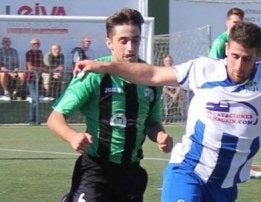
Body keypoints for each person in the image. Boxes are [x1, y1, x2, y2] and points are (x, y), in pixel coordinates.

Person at [73, 22, 261, 201]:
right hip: (188, 170)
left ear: (259, 55)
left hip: (226, 185)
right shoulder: (204, 69)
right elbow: (152, 73)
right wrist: (104, 66)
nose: (239, 65)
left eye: (246, 58)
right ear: (227, 50)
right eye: (234, 56)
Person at [47, 8, 173, 202]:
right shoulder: (93, 74)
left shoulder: (150, 79)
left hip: (131, 173)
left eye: (136, 40)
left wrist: (160, 135)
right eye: (123, 41)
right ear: (109, 43)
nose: (130, 47)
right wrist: (72, 136)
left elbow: (152, 122)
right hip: (96, 169)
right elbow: (55, 118)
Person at [209, 7, 261, 179]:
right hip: (221, 95)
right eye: (234, 23)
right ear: (227, 23)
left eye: (240, 23)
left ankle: (242, 165)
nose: (237, 26)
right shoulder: (220, 43)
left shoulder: (252, 47)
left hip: (242, 92)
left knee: (243, 129)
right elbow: (212, 68)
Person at [25, 38, 45, 125]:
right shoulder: (29, 53)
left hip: (39, 79)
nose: (36, 45)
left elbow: (42, 65)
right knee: (34, 99)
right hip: (31, 79)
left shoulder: (40, 53)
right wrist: (40, 69)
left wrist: (41, 69)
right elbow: (30, 67)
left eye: (37, 43)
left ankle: (36, 120)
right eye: (34, 44)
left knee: (37, 99)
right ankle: (32, 120)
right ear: (31, 45)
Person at [0, 37, 25, 101]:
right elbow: (1, 66)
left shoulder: (14, 51)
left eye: (8, 42)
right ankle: (6, 92)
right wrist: (10, 73)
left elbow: (17, 64)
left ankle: (16, 91)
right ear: (2, 43)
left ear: (10, 43)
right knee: (2, 74)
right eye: (5, 42)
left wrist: (16, 70)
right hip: (4, 71)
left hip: (13, 71)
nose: (7, 43)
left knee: (22, 74)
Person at [162, 55, 181, 123]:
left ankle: (177, 118)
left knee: (177, 103)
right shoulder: (162, 71)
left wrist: (176, 93)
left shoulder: (175, 70)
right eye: (166, 61)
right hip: (166, 91)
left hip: (175, 90)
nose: (168, 62)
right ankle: (166, 119)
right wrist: (171, 94)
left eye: (169, 61)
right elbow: (162, 86)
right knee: (167, 105)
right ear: (164, 62)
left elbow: (179, 83)